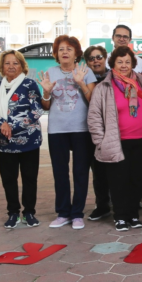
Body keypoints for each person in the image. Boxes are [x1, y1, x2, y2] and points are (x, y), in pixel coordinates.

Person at [88, 47, 142, 231]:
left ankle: (133, 215)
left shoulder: (140, 81)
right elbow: (94, 116)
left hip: (140, 140)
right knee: (118, 181)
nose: (124, 65)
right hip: (117, 141)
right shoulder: (104, 87)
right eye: (120, 62)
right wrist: (101, 141)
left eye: (127, 62)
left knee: (136, 180)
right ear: (113, 64)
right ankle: (121, 216)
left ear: (132, 63)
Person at [37, 35, 96, 230]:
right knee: (60, 172)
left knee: (80, 172)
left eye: (69, 49)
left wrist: (80, 83)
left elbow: (94, 102)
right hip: (57, 129)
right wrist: (45, 93)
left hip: (81, 129)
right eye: (61, 49)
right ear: (56, 53)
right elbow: (46, 105)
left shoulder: (85, 72)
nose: (65, 52)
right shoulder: (50, 73)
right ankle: (63, 213)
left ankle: (77, 213)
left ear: (76, 53)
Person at [0, 50, 43, 229]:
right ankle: (12, 213)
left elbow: (36, 111)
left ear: (22, 65)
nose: (11, 66)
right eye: (7, 63)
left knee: (29, 178)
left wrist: (13, 126)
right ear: (2, 66)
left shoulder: (29, 84)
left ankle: (29, 213)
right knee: (8, 179)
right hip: (5, 142)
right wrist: (2, 124)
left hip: (29, 141)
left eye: (15, 63)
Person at [83, 45, 113, 221]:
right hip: (91, 131)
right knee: (98, 170)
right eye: (92, 58)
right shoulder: (83, 78)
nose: (96, 60)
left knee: (117, 169)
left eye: (99, 57)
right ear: (87, 62)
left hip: (114, 129)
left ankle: (122, 203)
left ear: (105, 58)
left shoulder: (114, 76)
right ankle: (102, 205)